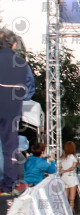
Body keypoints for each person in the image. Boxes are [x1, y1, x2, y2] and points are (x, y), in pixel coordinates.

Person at [0, 29, 35, 195]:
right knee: (9, 148)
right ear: (14, 44)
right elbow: (29, 91)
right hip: (11, 111)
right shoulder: (22, 64)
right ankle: (7, 186)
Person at [60, 141, 80, 215]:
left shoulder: (62, 157)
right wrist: (66, 170)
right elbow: (73, 167)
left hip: (63, 177)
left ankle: (65, 214)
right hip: (71, 177)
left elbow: (59, 167)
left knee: (65, 197)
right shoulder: (73, 157)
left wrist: (63, 171)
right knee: (72, 199)